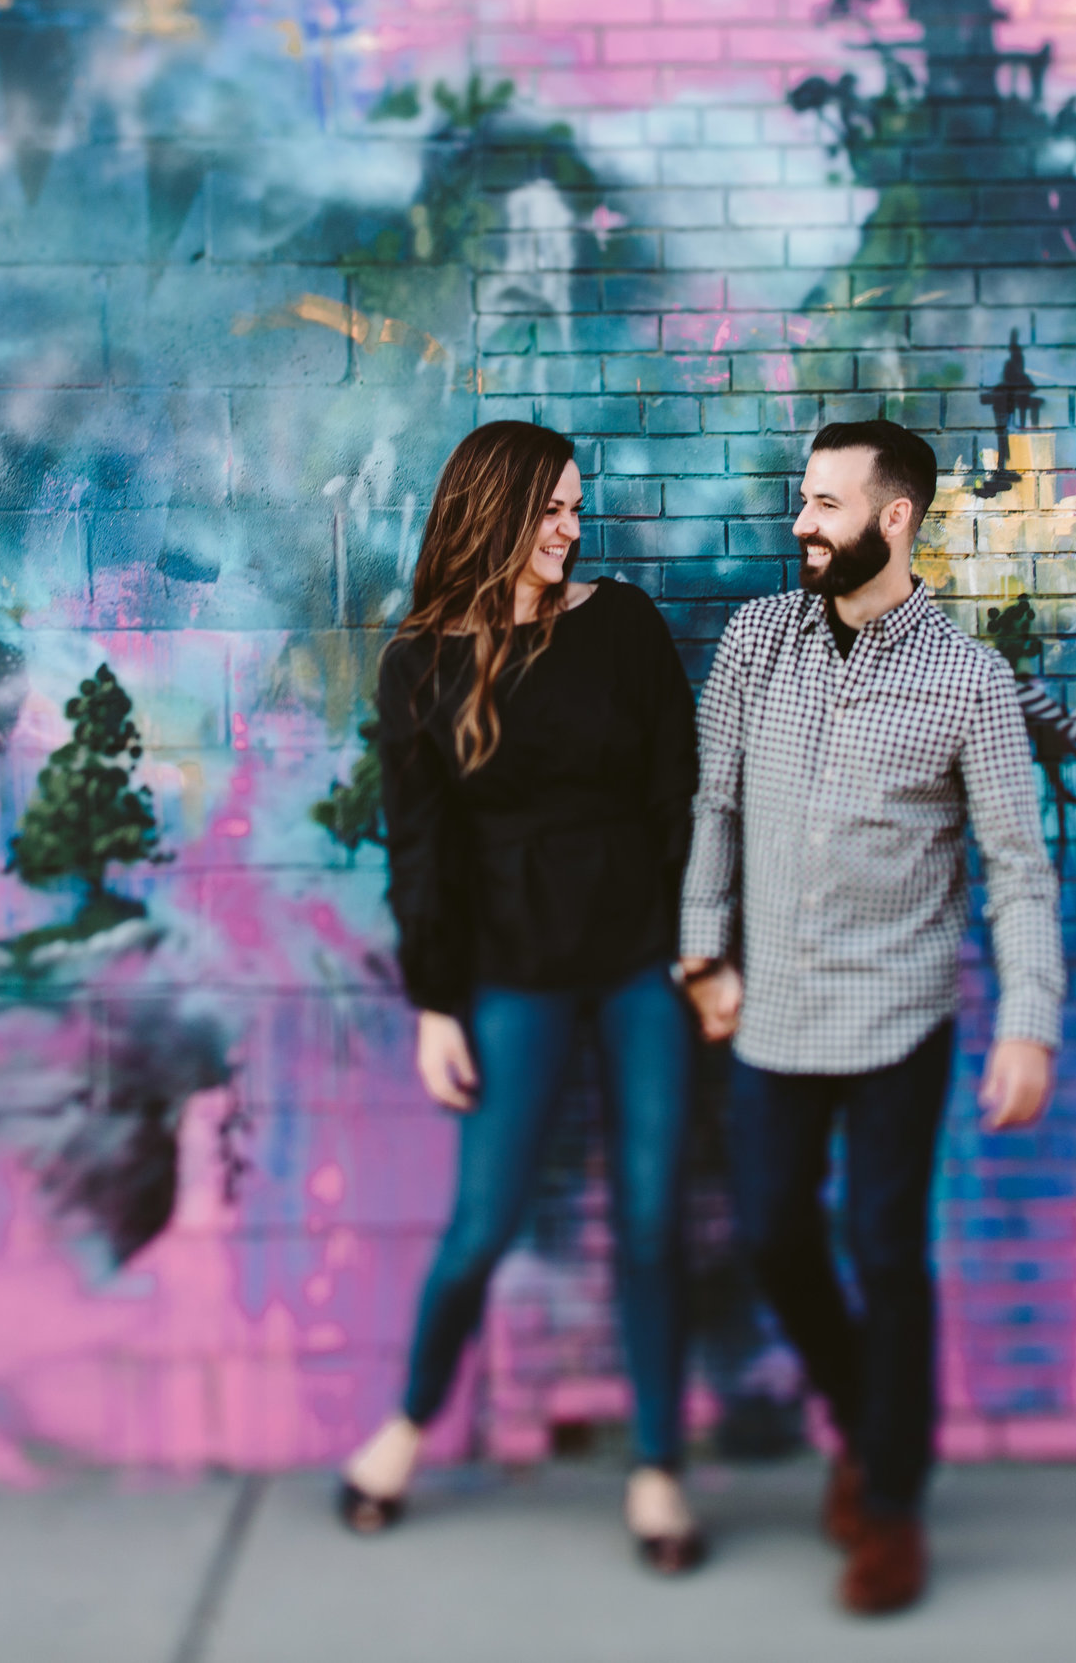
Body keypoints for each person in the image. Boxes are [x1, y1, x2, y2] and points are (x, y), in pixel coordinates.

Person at [678, 419, 1065, 1614]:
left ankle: (889, 1504)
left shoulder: (968, 679)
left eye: (827, 503)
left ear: (892, 519)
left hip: (900, 1012)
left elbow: (1017, 864)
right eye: (804, 497)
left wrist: (1028, 1019)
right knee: (772, 1236)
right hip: (773, 1008)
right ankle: (863, 1417)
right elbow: (715, 805)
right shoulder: (754, 642)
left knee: (887, 1252)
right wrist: (702, 951)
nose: (803, 521)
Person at [337, 420, 707, 1574]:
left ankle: (656, 1466)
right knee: (482, 1222)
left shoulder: (624, 625)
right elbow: (420, 852)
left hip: (642, 957)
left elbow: (678, 794)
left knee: (652, 1215)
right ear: (492, 511)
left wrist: (703, 947)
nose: (570, 526)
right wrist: (437, 1003)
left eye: (575, 507)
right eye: (550, 507)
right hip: (508, 972)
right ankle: (403, 1429)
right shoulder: (421, 660)